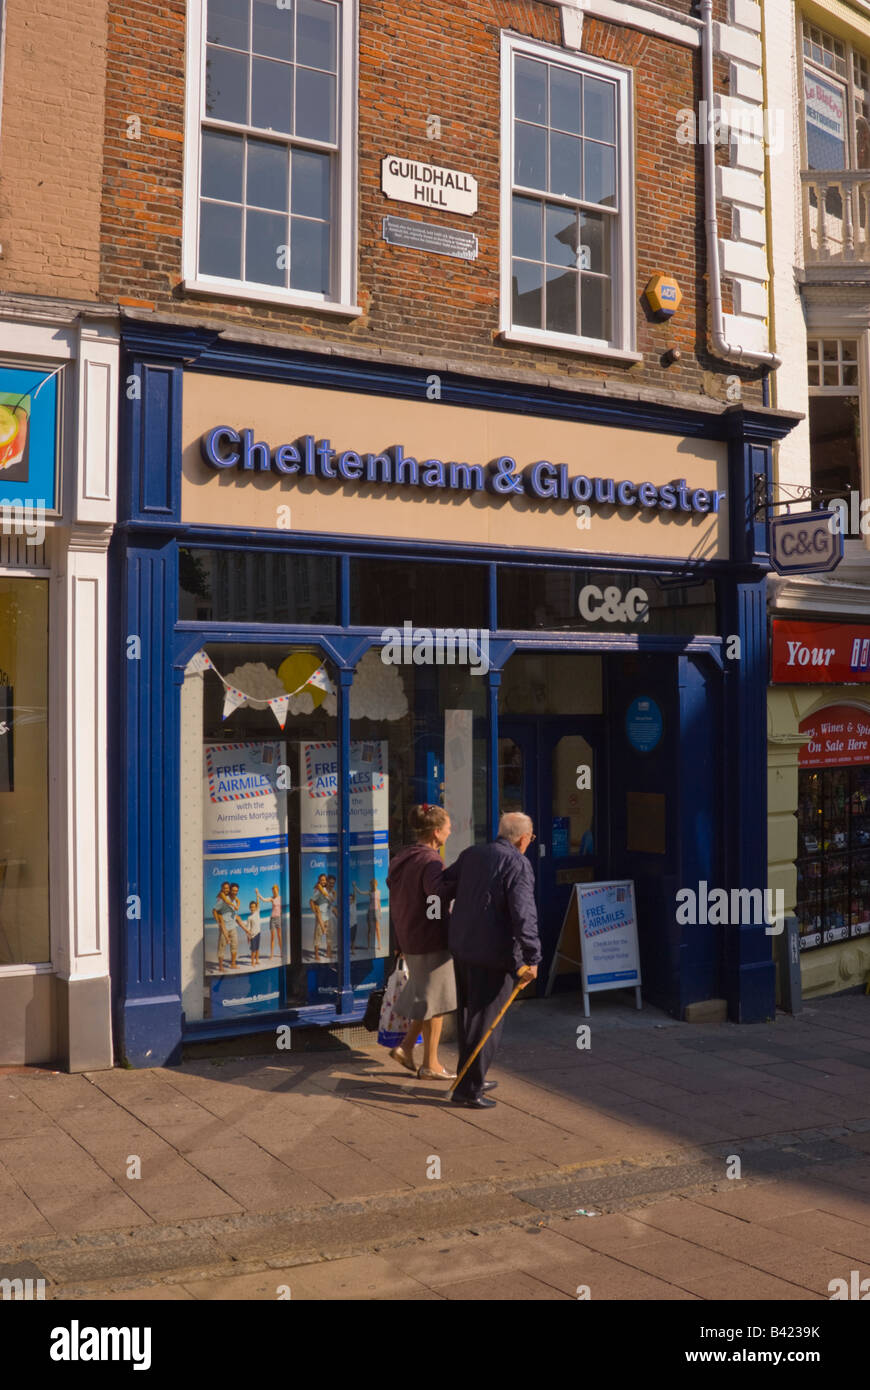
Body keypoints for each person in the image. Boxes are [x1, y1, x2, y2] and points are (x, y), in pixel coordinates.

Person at [441, 811, 542, 1108]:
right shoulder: (517, 863)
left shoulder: (473, 854)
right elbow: (524, 914)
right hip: (492, 954)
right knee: (486, 1022)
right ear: (523, 838)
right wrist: (532, 956)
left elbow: (445, 882)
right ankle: (469, 1090)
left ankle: (470, 1076)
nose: (530, 842)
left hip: (464, 947)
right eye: (531, 838)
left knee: (469, 1018)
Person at [386, 805, 456, 1081]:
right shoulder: (431, 861)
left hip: (409, 936)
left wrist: (398, 938)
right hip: (429, 940)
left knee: (427, 998)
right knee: (436, 1003)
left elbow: (398, 900)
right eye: (448, 827)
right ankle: (431, 1064)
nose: (450, 831)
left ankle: (405, 1048)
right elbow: (435, 898)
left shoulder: (403, 857)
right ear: (437, 832)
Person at [257, 884, 282, 960]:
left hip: (279, 919)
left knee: (280, 937)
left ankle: (281, 953)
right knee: (272, 938)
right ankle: (271, 954)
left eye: (275, 890)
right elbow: (264, 900)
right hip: (272, 919)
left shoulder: (281, 898)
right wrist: (258, 893)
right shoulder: (272, 898)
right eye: (273, 890)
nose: (274, 891)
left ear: (278, 890)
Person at [247, 899, 261, 966]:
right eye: (251, 907)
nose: (252, 908)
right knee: (253, 950)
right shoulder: (249, 917)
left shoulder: (257, 912)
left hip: (258, 933)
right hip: (253, 935)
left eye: (254, 907)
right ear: (250, 908)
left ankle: (257, 960)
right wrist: (248, 937)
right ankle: (252, 962)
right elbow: (248, 929)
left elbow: (258, 902)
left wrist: (257, 894)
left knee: (257, 948)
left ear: (256, 908)